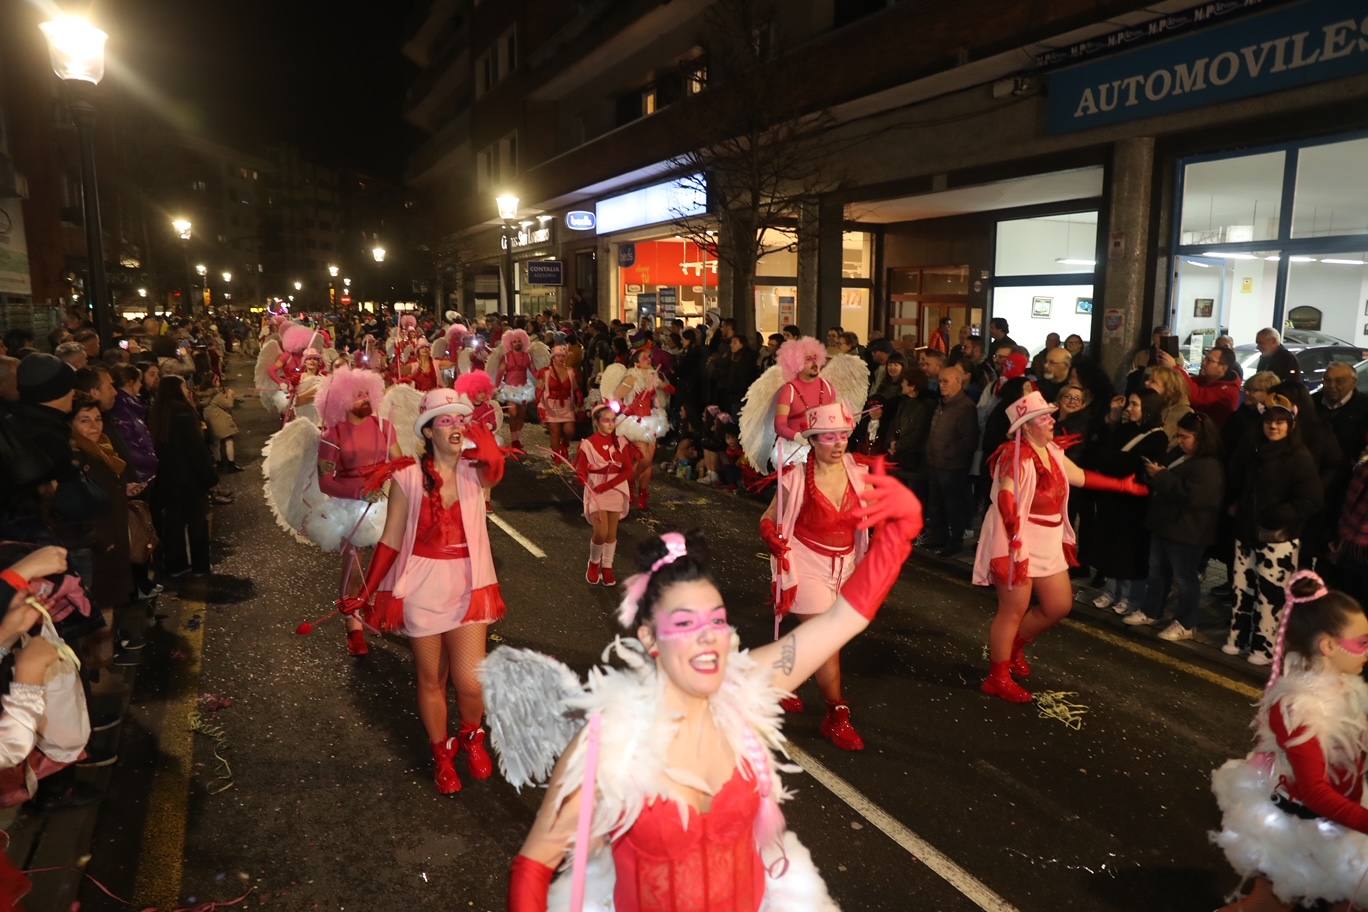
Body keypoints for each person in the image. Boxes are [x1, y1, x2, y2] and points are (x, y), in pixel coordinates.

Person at [504, 477, 922, 909]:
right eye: (685, 624)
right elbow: (535, 865)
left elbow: (842, 620)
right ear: (650, 639)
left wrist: (899, 531)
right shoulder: (608, 744)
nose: (708, 638)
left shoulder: (745, 684)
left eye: (717, 621)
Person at [338, 388, 506, 795]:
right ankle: (442, 754)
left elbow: (496, 467)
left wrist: (480, 436)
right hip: (421, 584)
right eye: (445, 420)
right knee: (432, 678)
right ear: (428, 431)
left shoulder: (474, 471)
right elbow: (391, 540)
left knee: (469, 682)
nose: (455, 426)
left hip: (468, 582)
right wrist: (366, 592)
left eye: (459, 419)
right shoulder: (407, 477)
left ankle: (471, 735)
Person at [973, 391, 1148, 703]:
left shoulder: (1050, 450)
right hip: (1019, 541)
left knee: (1058, 606)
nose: (1052, 420)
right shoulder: (1013, 456)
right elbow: (1006, 491)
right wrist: (1011, 519)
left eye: (1050, 415)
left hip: (1049, 540)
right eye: (1044, 417)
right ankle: (997, 677)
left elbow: (1079, 476)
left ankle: (1013, 649)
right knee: (1012, 610)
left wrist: (1121, 486)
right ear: (1026, 427)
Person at [1210, 574, 1368, 911]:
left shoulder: (1350, 687)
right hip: (1301, 828)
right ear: (1328, 646)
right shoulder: (1297, 708)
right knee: (1266, 906)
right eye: (1363, 642)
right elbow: (1314, 791)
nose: (1367, 651)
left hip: (1344, 816)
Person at [758, 402, 880, 751]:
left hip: (845, 567)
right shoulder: (795, 477)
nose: (839, 443)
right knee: (827, 638)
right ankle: (836, 714)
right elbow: (768, 518)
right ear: (813, 440)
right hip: (806, 562)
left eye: (843, 435)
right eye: (829, 436)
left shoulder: (859, 473)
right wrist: (771, 537)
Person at [1225, 394, 1323, 665]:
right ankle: (1238, 638)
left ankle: (1265, 647)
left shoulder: (1299, 456)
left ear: (1291, 424)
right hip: (1246, 533)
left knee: (1270, 596)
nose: (1274, 426)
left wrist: (1281, 515)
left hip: (1277, 538)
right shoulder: (1253, 450)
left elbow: (1312, 499)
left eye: (1281, 421)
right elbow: (1237, 481)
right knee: (1242, 589)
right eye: (1269, 420)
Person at [1127, 412, 1225, 639]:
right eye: (1179, 436)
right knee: (1158, 573)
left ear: (1201, 438)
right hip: (1166, 525)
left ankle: (1186, 623)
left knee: (1184, 579)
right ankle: (1151, 610)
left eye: (1185, 437)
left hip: (1188, 531)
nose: (1180, 440)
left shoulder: (1209, 465)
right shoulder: (1182, 456)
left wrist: (1161, 476)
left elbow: (1195, 497)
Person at [1082, 390, 1168, 618]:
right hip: (1113, 498)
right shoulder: (1123, 428)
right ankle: (1112, 591)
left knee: (1131, 552)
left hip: (1134, 504)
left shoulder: (1157, 437)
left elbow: (1128, 465)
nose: (1129, 408)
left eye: (1135, 404)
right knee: (1110, 546)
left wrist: (1113, 460)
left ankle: (1130, 597)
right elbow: (1101, 455)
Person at [148, 376, 216, 577]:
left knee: (173, 523)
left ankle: (176, 565)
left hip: (167, 477)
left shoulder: (157, 412)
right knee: (197, 521)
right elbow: (196, 449)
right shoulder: (184, 413)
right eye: (184, 386)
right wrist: (209, 475)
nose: (187, 390)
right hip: (189, 478)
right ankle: (200, 565)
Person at [575, 403, 638, 586]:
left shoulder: (621, 442)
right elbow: (581, 471)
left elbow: (627, 471)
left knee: (611, 533)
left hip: (616, 489)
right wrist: (582, 477)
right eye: (605, 421)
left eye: (613, 421)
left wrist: (609, 484)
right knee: (600, 532)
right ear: (596, 422)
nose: (610, 424)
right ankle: (594, 563)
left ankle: (607, 566)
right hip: (596, 490)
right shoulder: (587, 444)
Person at [920, 362, 978, 558]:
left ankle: (954, 541)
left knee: (953, 506)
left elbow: (967, 440)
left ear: (958, 382)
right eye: (939, 381)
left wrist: (948, 455)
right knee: (937, 504)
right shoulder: (942, 404)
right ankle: (938, 537)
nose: (941, 385)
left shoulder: (965, 407)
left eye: (945, 381)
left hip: (952, 466)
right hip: (936, 463)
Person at [606, 348, 670, 511]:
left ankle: (642, 495)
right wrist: (624, 408)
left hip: (651, 419)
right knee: (644, 459)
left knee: (648, 463)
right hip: (635, 422)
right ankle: (626, 486)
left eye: (649, 357)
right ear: (636, 362)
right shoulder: (631, 377)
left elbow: (668, 391)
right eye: (644, 358)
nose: (648, 359)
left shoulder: (653, 376)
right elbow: (616, 397)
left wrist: (664, 386)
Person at [1155, 346, 1240, 428]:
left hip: (1209, 436)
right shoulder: (1207, 379)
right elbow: (1183, 383)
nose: (1203, 362)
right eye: (1205, 358)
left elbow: (1197, 397)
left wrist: (1175, 367)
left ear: (1223, 368)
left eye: (1209, 360)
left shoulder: (1229, 391)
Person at [888, 367, 933, 501]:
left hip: (914, 462)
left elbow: (918, 433)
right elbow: (895, 424)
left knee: (912, 498)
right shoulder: (904, 402)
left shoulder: (925, 407)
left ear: (913, 386)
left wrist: (899, 445)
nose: (902, 384)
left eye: (904, 382)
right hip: (900, 459)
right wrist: (892, 441)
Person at [1313, 360, 1368, 465]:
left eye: (1339, 381)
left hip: (1350, 471)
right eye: (1327, 380)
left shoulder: (1364, 407)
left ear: (1354, 382)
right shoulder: (1311, 402)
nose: (1332, 385)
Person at [537, 344, 581, 465]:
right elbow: (539, 389)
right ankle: (556, 456)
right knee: (555, 432)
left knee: (569, 431)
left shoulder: (570, 372)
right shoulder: (545, 372)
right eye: (558, 356)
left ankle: (565, 445)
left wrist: (578, 395)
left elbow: (575, 387)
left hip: (566, 405)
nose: (561, 358)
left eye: (563, 356)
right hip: (550, 405)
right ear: (553, 357)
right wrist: (539, 405)